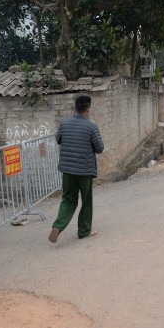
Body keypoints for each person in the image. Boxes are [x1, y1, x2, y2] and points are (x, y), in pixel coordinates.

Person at [49, 95, 104, 243]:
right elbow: (99, 148)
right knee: (86, 201)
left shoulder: (64, 123)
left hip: (67, 170)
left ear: (75, 107)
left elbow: (58, 139)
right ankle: (84, 230)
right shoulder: (91, 126)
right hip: (84, 170)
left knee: (68, 199)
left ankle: (58, 226)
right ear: (88, 108)